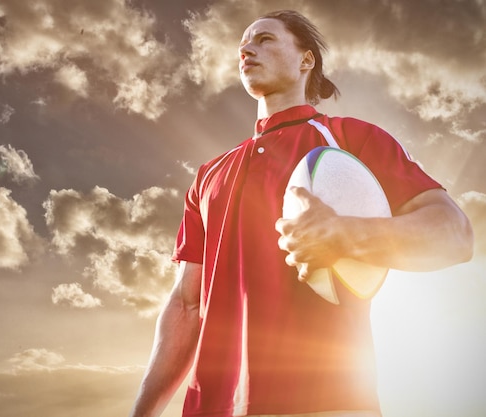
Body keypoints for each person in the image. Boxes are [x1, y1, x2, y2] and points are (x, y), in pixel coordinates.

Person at [129, 10, 473, 417]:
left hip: (327, 403)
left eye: (265, 39)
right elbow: (187, 306)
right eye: (243, 44)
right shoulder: (208, 176)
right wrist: (143, 412)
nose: (246, 48)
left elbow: (455, 233)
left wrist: (347, 235)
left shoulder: (351, 139)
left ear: (306, 61)